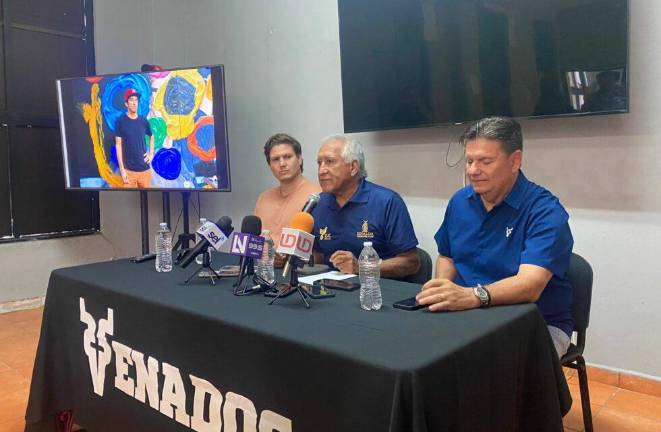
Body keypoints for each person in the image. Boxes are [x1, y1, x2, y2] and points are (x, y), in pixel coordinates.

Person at [416, 116, 574, 357]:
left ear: (515, 161)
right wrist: (443, 289)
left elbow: (530, 286)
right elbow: (447, 255)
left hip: (536, 324)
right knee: (417, 351)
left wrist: (471, 296)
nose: (473, 170)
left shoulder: (545, 212)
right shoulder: (460, 201)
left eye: (485, 161)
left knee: (485, 369)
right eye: (469, 161)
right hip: (467, 315)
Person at [312, 135, 420, 279]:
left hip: (377, 287)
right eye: (319, 163)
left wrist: (363, 267)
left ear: (353, 167)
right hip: (330, 287)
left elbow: (411, 262)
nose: (321, 171)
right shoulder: (318, 204)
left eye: (330, 162)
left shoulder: (387, 202)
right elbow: (318, 256)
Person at [254, 133, 321, 252]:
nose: (282, 164)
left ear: (299, 159)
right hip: (263, 262)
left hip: (300, 263)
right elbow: (254, 242)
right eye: (275, 159)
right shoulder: (264, 198)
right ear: (269, 165)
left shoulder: (317, 195)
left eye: (287, 157)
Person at [115, 89, 154, 188]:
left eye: (136, 100)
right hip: (129, 172)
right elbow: (118, 145)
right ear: (126, 104)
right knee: (130, 197)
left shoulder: (143, 121)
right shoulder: (120, 122)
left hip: (145, 171)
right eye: (131, 100)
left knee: (147, 197)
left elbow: (151, 136)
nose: (134, 103)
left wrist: (151, 153)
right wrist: (122, 170)